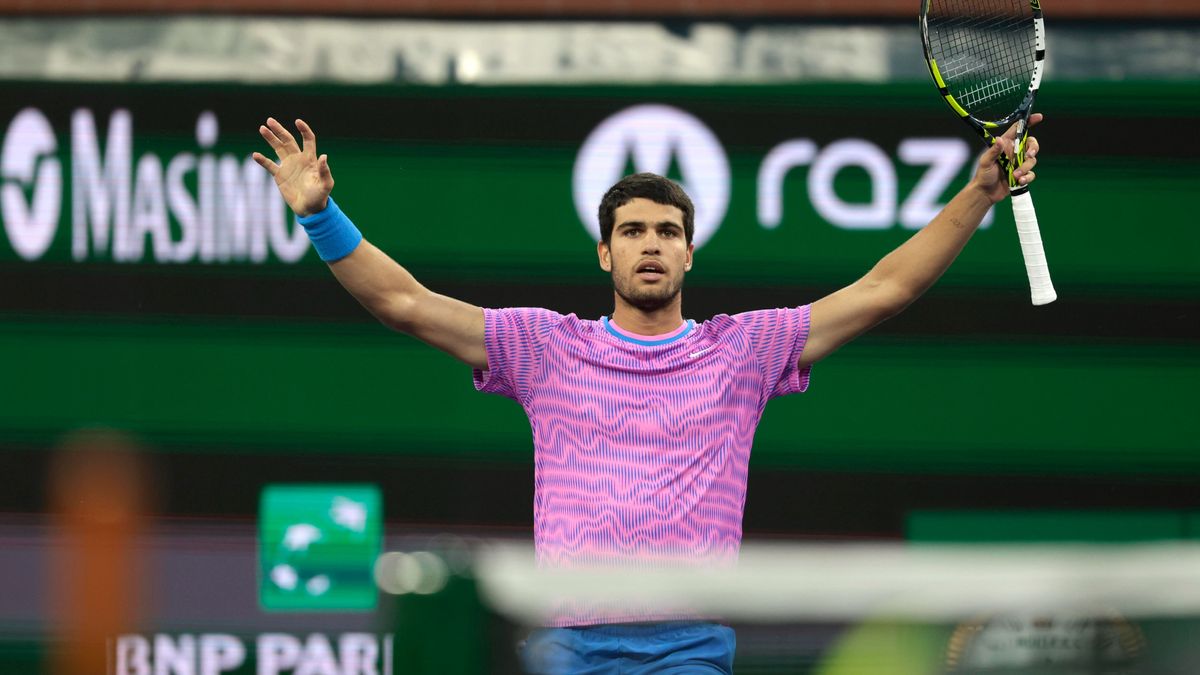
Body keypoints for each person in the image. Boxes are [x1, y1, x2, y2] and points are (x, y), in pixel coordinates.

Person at [253, 115, 1041, 674]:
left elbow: (885, 287)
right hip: (567, 644)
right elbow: (407, 304)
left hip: (689, 649)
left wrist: (976, 193)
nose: (651, 244)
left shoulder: (743, 350)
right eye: (633, 231)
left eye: (667, 231)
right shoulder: (546, 347)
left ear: (689, 252)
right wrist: (320, 215)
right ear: (605, 252)